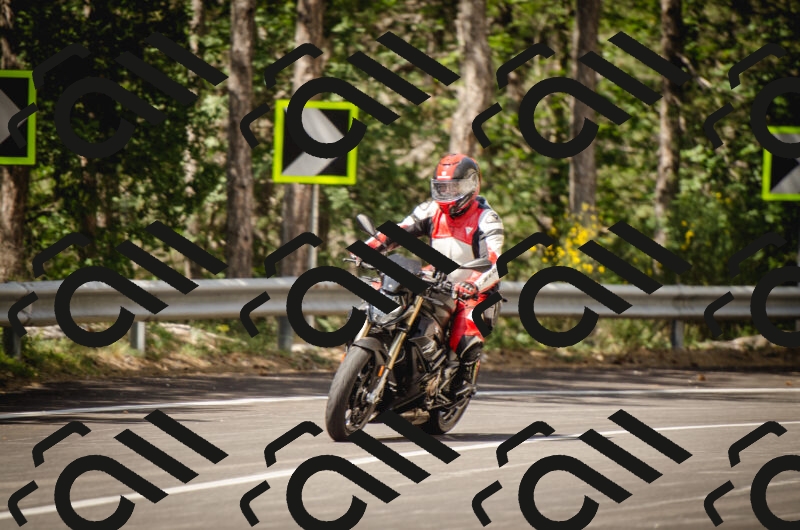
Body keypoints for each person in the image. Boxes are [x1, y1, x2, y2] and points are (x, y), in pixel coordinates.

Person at [362, 153, 504, 397]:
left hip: (472, 287)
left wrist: (473, 284)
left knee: (466, 329)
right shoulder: (430, 210)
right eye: (442, 187)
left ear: (472, 185)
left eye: (454, 187)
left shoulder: (486, 218)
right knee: (378, 293)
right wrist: (369, 247)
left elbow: (494, 262)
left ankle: (461, 379)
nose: (447, 194)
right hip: (435, 279)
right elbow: (399, 230)